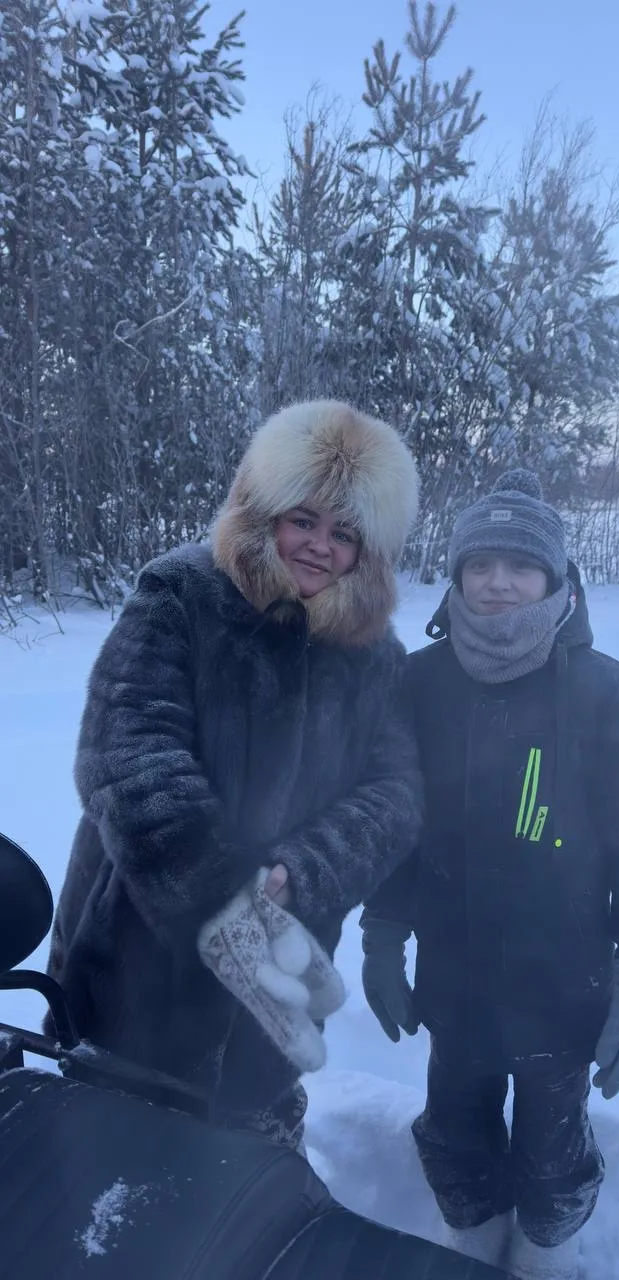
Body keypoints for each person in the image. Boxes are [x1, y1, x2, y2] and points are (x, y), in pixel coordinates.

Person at [46, 399, 423, 1148]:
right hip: (134, 965)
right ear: (264, 512)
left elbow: (396, 796)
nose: (319, 546)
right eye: (303, 520)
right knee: (107, 1169)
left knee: (243, 1167)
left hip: (280, 981)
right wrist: (226, 897)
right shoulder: (182, 594)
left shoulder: (377, 658)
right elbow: (128, 751)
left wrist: (297, 871)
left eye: (344, 533)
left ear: (368, 551)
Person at [360, 470, 619, 1280]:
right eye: (480, 565)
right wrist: (383, 935)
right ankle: (471, 1239)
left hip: (561, 991)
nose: (498, 582)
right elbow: (396, 827)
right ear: (458, 574)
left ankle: (545, 1253)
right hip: (454, 982)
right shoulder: (418, 683)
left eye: (521, 566)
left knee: (552, 1151)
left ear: (555, 577)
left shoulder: (607, 691)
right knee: (455, 1132)